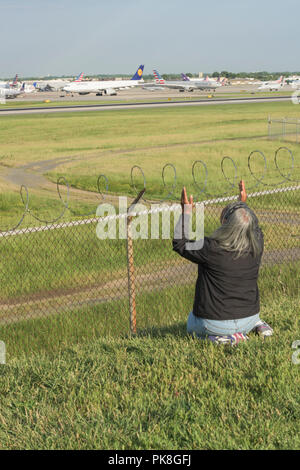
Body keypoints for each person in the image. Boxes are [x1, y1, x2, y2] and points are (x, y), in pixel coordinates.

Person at [172, 181, 273, 345]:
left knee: (192, 323)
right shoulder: (257, 244)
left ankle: (221, 337)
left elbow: (180, 243)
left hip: (213, 323)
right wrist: (242, 206)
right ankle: (256, 326)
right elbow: (251, 226)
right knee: (247, 320)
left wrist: (186, 212)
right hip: (249, 317)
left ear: (226, 224)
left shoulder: (211, 249)